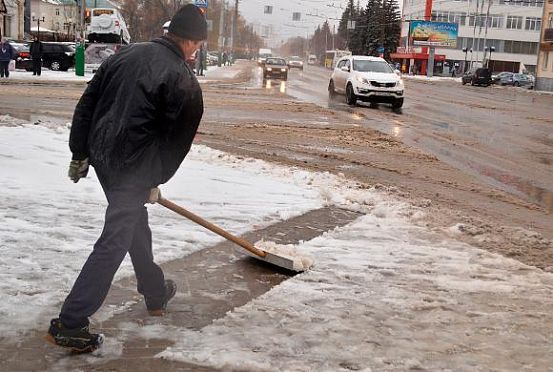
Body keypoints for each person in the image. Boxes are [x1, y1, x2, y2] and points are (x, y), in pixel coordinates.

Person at [45, 4, 207, 354]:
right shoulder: (184, 81)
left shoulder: (123, 55)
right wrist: (153, 178)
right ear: (192, 42)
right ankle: (71, 322)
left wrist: (80, 151)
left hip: (104, 159)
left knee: (133, 223)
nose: (196, 51)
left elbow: (87, 103)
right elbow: (175, 145)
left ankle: (154, 290)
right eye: (197, 45)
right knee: (115, 239)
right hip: (132, 171)